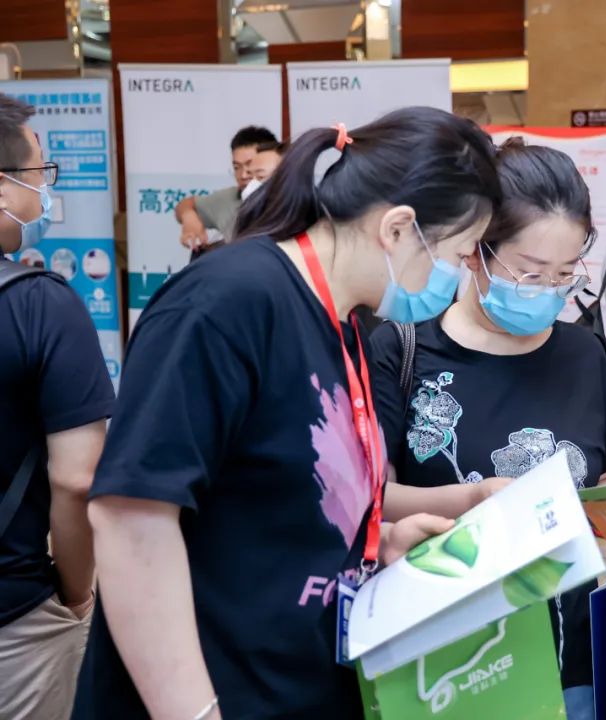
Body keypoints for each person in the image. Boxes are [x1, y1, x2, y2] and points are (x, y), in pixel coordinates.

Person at [71, 108, 503, 719]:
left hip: (296, 683)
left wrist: (384, 542)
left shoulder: (346, 317)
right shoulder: (227, 302)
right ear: (400, 229)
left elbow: (291, 496)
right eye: (457, 255)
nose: (457, 280)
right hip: (218, 693)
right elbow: (131, 521)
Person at [370, 139, 606, 720]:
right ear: (473, 251)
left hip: (573, 666)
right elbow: (372, 500)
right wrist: (475, 497)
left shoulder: (585, 355)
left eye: (565, 273)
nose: (548, 291)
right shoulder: (402, 351)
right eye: (530, 273)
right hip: (449, 664)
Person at [0, 93, 113, 719]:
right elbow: (76, 478)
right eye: (39, 174)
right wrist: (75, 596)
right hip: (15, 621)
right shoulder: (41, 304)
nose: (45, 191)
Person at [175, 125, 278, 253]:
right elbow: (186, 204)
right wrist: (189, 218)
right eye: (237, 167)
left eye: (250, 165)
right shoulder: (228, 198)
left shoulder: (291, 202)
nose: (243, 175)